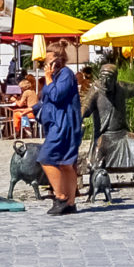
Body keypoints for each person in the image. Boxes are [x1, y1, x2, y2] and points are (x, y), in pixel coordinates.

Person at [33, 46, 82, 216]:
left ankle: (61, 197)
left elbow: (56, 95)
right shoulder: (56, 76)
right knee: (65, 164)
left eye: (48, 60)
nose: (45, 64)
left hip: (64, 124)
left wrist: (47, 78)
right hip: (56, 123)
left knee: (46, 158)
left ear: (57, 60)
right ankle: (70, 203)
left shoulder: (66, 74)